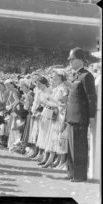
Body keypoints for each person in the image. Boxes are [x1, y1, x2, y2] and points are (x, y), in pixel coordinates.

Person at [63, 47, 97, 182]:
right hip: (72, 117)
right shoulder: (75, 75)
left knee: (79, 148)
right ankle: (71, 173)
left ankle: (80, 175)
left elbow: (91, 98)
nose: (70, 62)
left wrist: (91, 116)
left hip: (80, 117)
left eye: (72, 59)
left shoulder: (87, 76)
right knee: (71, 148)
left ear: (80, 60)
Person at [41, 69, 69, 168]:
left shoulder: (63, 88)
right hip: (56, 114)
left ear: (60, 76)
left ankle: (60, 161)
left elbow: (63, 103)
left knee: (59, 137)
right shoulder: (57, 88)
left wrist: (52, 102)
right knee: (53, 137)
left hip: (61, 115)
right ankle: (52, 159)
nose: (53, 76)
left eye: (55, 74)